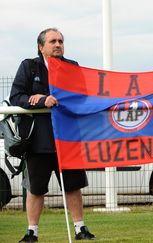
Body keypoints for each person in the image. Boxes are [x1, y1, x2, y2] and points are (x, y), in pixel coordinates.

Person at [10, 28, 95, 242]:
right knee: (36, 188)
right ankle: (32, 232)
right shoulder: (29, 67)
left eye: (61, 41)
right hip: (39, 140)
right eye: (52, 41)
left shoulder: (72, 67)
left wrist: (53, 98)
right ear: (41, 47)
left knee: (73, 186)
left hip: (68, 138)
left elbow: (82, 96)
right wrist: (40, 100)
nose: (58, 44)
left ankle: (80, 229)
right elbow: (16, 97)